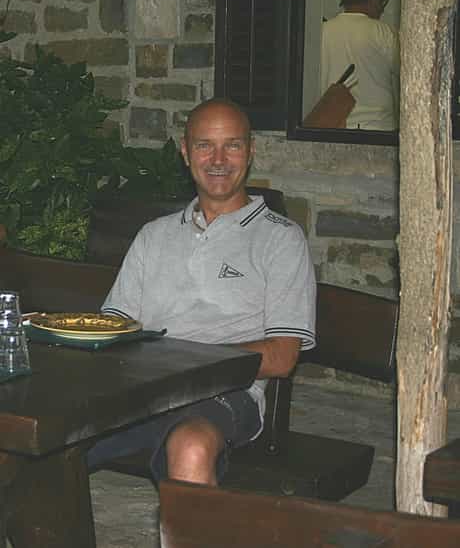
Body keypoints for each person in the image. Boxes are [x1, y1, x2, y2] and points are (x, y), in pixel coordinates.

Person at [87, 98, 316, 486]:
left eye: (232, 145)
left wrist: (183, 365)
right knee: (30, 433)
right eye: (204, 145)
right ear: (185, 151)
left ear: (251, 151)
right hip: (142, 392)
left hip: (225, 393)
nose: (218, 159)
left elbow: (281, 357)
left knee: (190, 446)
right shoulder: (154, 235)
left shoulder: (280, 239)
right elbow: (113, 326)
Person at [320, 0, 400, 131]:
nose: (382, 11)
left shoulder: (322, 31)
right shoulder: (384, 32)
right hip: (378, 128)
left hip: (331, 127)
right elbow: (406, 73)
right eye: (382, 5)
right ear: (373, 3)